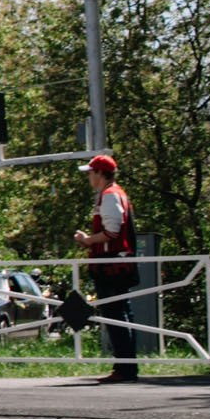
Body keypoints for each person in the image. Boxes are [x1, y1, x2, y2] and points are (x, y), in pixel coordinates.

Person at [73, 153, 138, 382]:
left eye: (91, 172)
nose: (89, 176)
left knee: (115, 313)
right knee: (121, 312)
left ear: (100, 173)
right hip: (116, 262)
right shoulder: (114, 193)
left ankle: (125, 368)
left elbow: (112, 232)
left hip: (111, 264)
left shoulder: (110, 196)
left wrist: (87, 239)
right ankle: (127, 365)